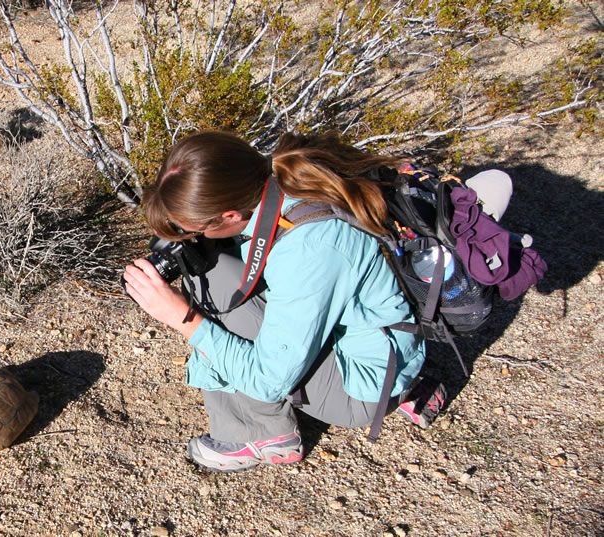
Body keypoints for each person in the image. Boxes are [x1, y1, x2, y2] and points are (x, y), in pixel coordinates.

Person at [122, 131, 445, 473]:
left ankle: (262, 436)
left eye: (197, 228)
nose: (195, 236)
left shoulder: (310, 248)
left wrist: (182, 316)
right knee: (217, 267)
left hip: (363, 388)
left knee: (216, 288)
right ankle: (408, 386)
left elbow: (267, 379)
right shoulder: (288, 173)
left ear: (231, 215)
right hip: (390, 346)